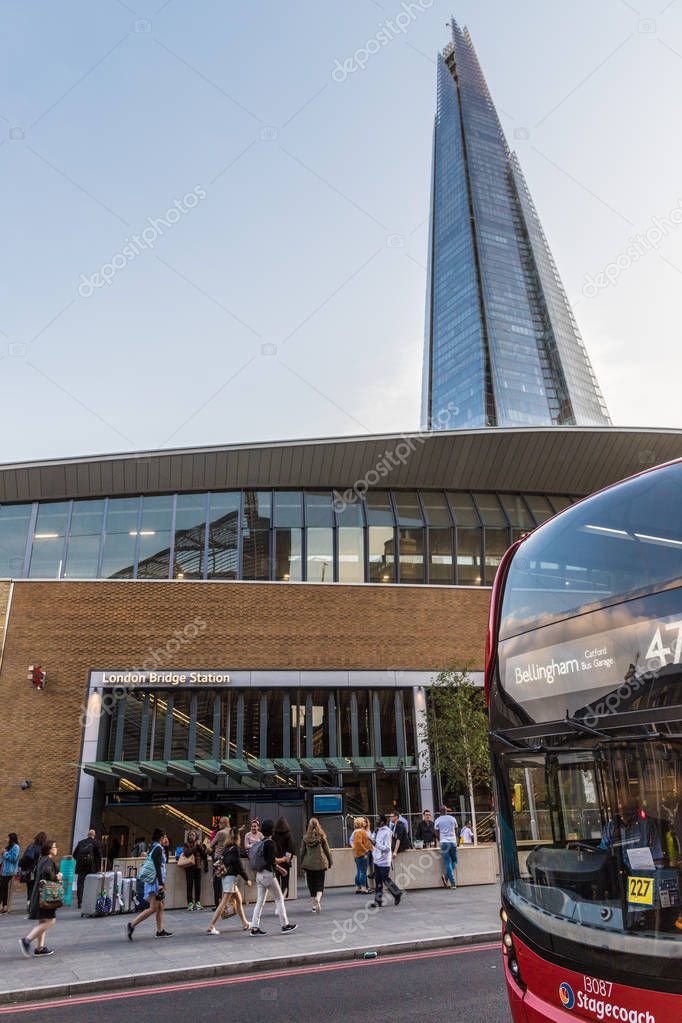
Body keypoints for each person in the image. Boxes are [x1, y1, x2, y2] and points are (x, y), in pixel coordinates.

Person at [249, 819, 297, 935]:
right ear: (272, 830)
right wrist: (284, 861)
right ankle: (285, 925)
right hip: (268, 875)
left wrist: (279, 868)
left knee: (259, 902)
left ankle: (254, 928)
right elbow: (272, 861)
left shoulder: (261, 842)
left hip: (259, 875)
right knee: (279, 898)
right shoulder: (270, 843)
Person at [126, 827, 172, 940]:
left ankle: (160, 930)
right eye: (165, 836)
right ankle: (132, 924)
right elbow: (158, 867)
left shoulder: (155, 847)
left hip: (153, 881)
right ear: (161, 837)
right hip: (155, 882)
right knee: (153, 908)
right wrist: (161, 883)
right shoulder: (158, 849)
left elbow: (161, 863)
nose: (166, 838)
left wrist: (166, 846)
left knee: (160, 906)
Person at [19, 838, 61, 957]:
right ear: (49, 850)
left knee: (43, 920)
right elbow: (47, 874)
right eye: (55, 847)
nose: (56, 848)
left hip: (39, 895)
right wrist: (57, 877)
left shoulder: (41, 860)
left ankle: (39, 948)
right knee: (51, 921)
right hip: (45, 896)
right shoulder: (47, 861)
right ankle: (26, 940)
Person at [206, 828, 252, 934]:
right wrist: (247, 879)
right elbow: (239, 866)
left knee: (239, 899)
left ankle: (245, 923)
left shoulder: (227, 848)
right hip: (230, 878)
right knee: (223, 903)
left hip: (226, 877)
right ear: (237, 837)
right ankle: (211, 926)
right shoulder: (234, 849)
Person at [300, 817, 334, 913]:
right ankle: (318, 899)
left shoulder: (305, 838)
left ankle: (314, 906)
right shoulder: (322, 837)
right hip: (320, 863)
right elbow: (327, 850)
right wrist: (330, 861)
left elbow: (302, 852)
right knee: (320, 884)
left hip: (309, 864)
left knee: (311, 885)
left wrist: (301, 863)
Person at [370, 815, 402, 908]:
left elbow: (387, 849)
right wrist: (374, 835)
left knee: (385, 879)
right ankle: (377, 901)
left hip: (384, 861)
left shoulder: (387, 832)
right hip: (377, 859)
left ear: (383, 822)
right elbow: (372, 840)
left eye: (378, 820)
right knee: (378, 881)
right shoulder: (377, 830)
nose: (376, 821)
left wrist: (376, 844)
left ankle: (397, 893)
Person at [72, 829, 102, 911]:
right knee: (91, 884)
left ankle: (79, 902)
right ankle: (90, 901)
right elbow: (99, 856)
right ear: (94, 835)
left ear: (87, 835)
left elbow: (74, 855)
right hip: (91, 867)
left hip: (81, 867)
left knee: (80, 883)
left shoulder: (81, 842)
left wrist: (80, 861)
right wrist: (98, 867)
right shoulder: (96, 843)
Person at [179, 830, 207, 911]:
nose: (191, 836)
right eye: (190, 835)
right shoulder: (186, 844)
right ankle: (190, 903)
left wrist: (200, 847)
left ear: (196, 836)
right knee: (189, 885)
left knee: (198, 886)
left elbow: (204, 854)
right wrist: (196, 847)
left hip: (198, 867)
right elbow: (187, 853)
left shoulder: (199, 844)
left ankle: (198, 902)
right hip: (189, 868)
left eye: (193, 835)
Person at [19, 831, 46, 909]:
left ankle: (29, 902)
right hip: (39, 871)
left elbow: (24, 859)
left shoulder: (31, 846)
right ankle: (35, 904)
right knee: (38, 888)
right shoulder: (43, 848)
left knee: (30, 887)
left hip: (29, 871)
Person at [435, 805, 459, 888]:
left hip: (444, 842)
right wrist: (453, 836)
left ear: (439, 811)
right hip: (453, 842)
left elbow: (436, 832)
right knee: (454, 861)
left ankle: (449, 880)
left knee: (448, 861)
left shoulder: (437, 820)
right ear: (446, 811)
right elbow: (456, 829)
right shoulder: (452, 818)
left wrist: (441, 839)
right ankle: (448, 879)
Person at [210, 816, 232, 908]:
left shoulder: (220, 833)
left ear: (225, 823)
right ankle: (226, 904)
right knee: (227, 883)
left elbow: (211, 844)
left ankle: (218, 905)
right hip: (228, 859)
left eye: (220, 823)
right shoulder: (232, 831)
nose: (218, 824)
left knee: (217, 883)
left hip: (218, 860)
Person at [273, 816, 295, 899]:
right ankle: (283, 896)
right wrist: (287, 859)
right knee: (285, 882)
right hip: (285, 862)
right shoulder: (288, 835)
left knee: (277, 882)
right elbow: (291, 849)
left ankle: (278, 898)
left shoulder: (274, 835)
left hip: (276, 862)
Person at [351, 817, 373, 894]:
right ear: (360, 823)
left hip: (357, 854)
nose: (364, 822)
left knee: (359, 871)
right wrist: (366, 850)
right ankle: (364, 888)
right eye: (363, 821)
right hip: (363, 854)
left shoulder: (355, 832)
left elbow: (355, 843)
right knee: (363, 872)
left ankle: (358, 887)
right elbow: (358, 843)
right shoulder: (361, 832)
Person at [0, 833, 20, 913]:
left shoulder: (16, 847)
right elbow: (3, 859)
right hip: (4, 870)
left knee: (3, 887)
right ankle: (4, 906)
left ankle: (3, 906)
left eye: (8, 838)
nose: (6, 839)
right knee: (3, 887)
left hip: (9, 871)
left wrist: (4, 853)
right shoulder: (9, 847)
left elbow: (13, 858)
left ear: (12, 838)